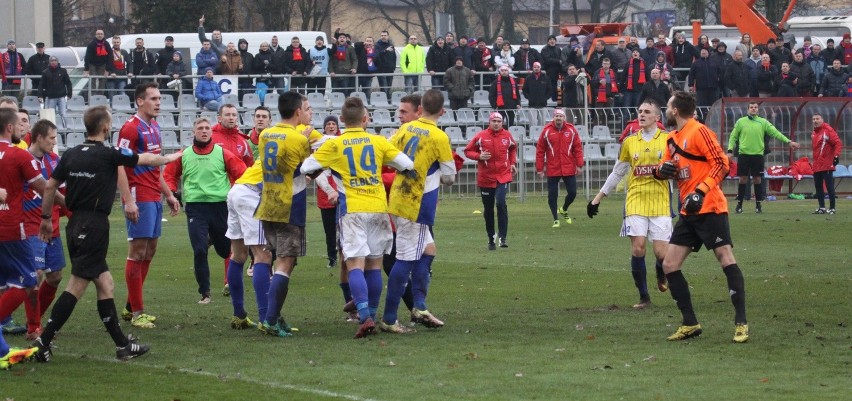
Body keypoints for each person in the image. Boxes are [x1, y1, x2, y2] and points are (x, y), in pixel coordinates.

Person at [31, 105, 182, 363]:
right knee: (76, 286)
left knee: (105, 284)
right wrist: (172, 157)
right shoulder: (109, 153)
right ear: (104, 127)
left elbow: (50, 187)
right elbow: (145, 159)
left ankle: (123, 345)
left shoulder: (71, 154)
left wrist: (46, 218)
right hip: (94, 226)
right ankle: (43, 342)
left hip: (76, 222)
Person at [302, 97, 414, 337]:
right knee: (374, 265)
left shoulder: (335, 144)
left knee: (354, 264)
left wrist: (323, 167)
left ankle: (364, 317)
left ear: (341, 120)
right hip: (378, 207)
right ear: (365, 119)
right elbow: (406, 164)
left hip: (352, 209)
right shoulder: (378, 141)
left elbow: (306, 168)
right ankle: (372, 314)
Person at [652, 91, 748, 343]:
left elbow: (722, 163)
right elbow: (665, 169)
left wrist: (700, 191)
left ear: (675, 111)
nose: (665, 109)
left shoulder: (699, 131)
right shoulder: (671, 138)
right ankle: (690, 323)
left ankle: (741, 323)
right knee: (669, 265)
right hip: (688, 211)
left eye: (667, 105)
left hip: (710, 207)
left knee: (725, 258)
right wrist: (659, 171)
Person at [383, 89, 456, 332]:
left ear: (421, 109)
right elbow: (450, 177)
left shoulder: (404, 129)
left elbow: (387, 155)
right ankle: (390, 318)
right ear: (442, 112)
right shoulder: (439, 137)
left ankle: (420, 306)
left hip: (398, 196)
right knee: (404, 259)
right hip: (416, 203)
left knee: (428, 249)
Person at [587, 100, 671, 309]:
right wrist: (597, 198)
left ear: (657, 117)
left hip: (661, 201)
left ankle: (661, 272)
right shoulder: (630, 142)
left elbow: (680, 167)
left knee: (662, 254)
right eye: (640, 111)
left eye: (647, 112)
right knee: (638, 248)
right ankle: (644, 297)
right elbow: (618, 171)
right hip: (635, 200)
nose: (641, 115)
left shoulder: (669, 140)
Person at [117, 82, 181, 329]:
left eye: (160, 99)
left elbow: (156, 166)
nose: (158, 103)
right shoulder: (130, 129)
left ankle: (131, 305)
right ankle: (137, 313)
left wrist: (169, 194)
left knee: (150, 249)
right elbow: (119, 164)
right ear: (139, 101)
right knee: (137, 251)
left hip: (153, 193)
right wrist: (128, 200)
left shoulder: (154, 126)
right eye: (153, 98)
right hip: (138, 194)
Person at [165, 118, 247, 304]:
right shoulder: (184, 154)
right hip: (196, 208)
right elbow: (169, 174)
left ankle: (231, 283)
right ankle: (205, 292)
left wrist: (238, 193)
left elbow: (242, 173)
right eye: (200, 128)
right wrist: (172, 191)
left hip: (220, 207)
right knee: (199, 250)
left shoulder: (222, 153)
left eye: (207, 128)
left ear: (211, 132)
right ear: (193, 132)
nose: (204, 131)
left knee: (226, 250)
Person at [253, 91, 312, 338]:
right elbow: (310, 169)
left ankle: (274, 316)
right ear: (298, 111)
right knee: (285, 265)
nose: (308, 112)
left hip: (268, 203)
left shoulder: (266, 134)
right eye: (307, 108)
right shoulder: (298, 139)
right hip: (290, 205)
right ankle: (270, 320)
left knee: (280, 262)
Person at [0, 109, 50, 347]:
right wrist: (71, 203)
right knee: (26, 282)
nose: (23, 129)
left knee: (7, 283)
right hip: (12, 227)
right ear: (10, 128)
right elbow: (44, 188)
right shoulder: (18, 155)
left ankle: (6, 346)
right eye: (19, 125)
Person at [24, 120, 68, 331]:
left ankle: (34, 318)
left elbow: (64, 196)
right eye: (51, 138)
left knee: (55, 276)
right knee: (35, 274)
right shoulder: (22, 160)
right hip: (31, 227)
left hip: (53, 227)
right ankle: (33, 326)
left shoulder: (55, 161)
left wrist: (74, 215)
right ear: (39, 137)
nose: (54, 142)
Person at [726, 102, 799, 214]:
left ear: (758, 110)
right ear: (748, 109)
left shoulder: (763, 122)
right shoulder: (741, 122)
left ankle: (758, 205)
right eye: (751, 107)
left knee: (757, 179)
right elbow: (733, 136)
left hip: (758, 155)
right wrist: (730, 150)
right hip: (743, 154)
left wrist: (788, 142)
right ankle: (739, 204)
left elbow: (775, 133)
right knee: (742, 179)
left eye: (755, 107)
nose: (753, 109)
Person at [464, 112, 517, 250]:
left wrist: (512, 163)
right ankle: (491, 237)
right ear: (489, 122)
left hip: (503, 175)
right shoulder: (481, 136)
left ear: (502, 123)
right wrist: (479, 156)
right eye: (494, 120)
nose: (496, 123)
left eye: (499, 121)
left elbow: (513, 148)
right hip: (486, 177)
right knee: (488, 209)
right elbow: (468, 151)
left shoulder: (507, 135)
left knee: (500, 202)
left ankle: (502, 237)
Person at [535, 108, 584, 227]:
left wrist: (579, 164)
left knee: (572, 192)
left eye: (561, 116)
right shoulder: (546, 131)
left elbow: (577, 148)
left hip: (568, 166)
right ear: (553, 118)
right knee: (552, 195)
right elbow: (540, 150)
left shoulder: (571, 130)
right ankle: (555, 219)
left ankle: (564, 209)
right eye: (556, 116)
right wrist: (540, 168)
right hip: (553, 167)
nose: (558, 118)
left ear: (564, 118)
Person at [314, 115, 341, 269]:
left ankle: (345, 254)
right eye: (328, 124)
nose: (331, 126)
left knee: (344, 228)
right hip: (324, 195)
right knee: (329, 230)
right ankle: (332, 257)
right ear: (324, 127)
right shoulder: (319, 145)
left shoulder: (342, 142)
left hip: (341, 192)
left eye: (333, 124)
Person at [810, 114, 843, 215]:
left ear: (822, 120)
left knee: (829, 186)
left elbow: (837, 143)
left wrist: (836, 156)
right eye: (813, 119)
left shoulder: (827, 130)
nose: (815, 121)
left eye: (817, 119)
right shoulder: (814, 133)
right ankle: (822, 207)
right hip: (817, 164)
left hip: (827, 163)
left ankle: (832, 208)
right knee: (818, 186)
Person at [38, 57, 72, 123]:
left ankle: (65, 129)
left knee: (63, 114)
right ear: (49, 62)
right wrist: (40, 95)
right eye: (52, 61)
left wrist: (69, 94)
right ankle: (52, 129)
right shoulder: (45, 72)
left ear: (57, 61)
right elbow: (41, 85)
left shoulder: (63, 71)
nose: (53, 62)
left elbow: (68, 83)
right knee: (51, 115)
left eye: (55, 60)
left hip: (61, 96)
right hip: (51, 97)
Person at [83, 31, 110, 96]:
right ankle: (93, 96)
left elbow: (110, 56)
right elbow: (87, 57)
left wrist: (107, 69)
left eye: (101, 34)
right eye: (98, 34)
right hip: (92, 64)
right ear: (95, 35)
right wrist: (86, 69)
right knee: (93, 79)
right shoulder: (91, 44)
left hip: (103, 64)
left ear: (103, 35)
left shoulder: (106, 44)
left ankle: (100, 96)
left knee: (102, 80)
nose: (100, 35)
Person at [106, 36, 130, 101]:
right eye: (114, 42)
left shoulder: (124, 52)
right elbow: (106, 64)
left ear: (120, 42)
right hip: (111, 78)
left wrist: (130, 72)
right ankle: (113, 111)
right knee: (112, 95)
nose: (116, 43)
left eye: (117, 42)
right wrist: (110, 73)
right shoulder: (108, 52)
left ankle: (121, 110)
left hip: (122, 77)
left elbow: (130, 63)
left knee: (122, 94)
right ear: (112, 43)